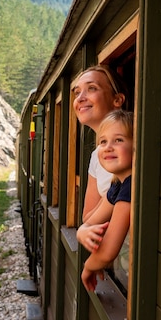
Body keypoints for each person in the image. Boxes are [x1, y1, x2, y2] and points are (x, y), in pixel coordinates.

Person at [77, 109, 134, 292]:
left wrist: (88, 267)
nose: (108, 147)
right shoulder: (117, 183)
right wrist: (81, 233)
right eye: (103, 141)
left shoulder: (131, 186)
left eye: (118, 140)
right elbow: (90, 220)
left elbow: (107, 252)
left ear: (136, 146)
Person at [71, 65, 127, 222]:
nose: (80, 98)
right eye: (77, 92)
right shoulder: (96, 156)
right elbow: (87, 218)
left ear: (117, 100)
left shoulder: (130, 148)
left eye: (91, 88)